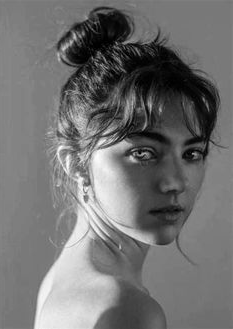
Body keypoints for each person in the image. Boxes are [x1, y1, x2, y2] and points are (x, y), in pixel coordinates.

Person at [34, 6, 220, 329]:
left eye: (192, 153)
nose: (176, 182)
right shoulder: (127, 310)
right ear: (77, 163)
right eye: (145, 153)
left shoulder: (63, 281)